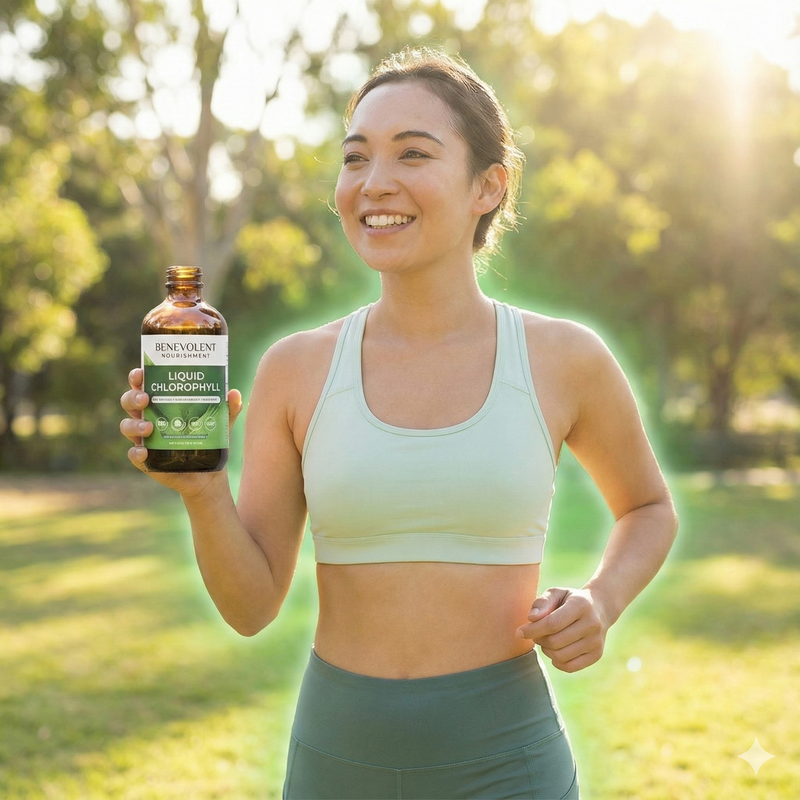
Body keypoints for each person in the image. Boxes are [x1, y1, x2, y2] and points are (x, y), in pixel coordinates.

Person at [120, 47, 677, 800]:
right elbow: (250, 609)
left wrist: (601, 601)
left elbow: (648, 507)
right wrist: (202, 491)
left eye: (412, 153)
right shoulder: (295, 370)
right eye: (356, 158)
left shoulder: (564, 359)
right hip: (336, 763)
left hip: (509, 766)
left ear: (488, 186)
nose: (374, 182)